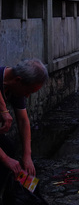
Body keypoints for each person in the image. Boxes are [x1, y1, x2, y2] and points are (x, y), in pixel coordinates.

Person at [0, 59, 48, 188]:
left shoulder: (13, 86)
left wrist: (27, 155)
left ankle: (20, 192)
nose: (26, 96)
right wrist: (4, 158)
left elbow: (23, 120)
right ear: (18, 80)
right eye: (28, 92)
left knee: (9, 148)